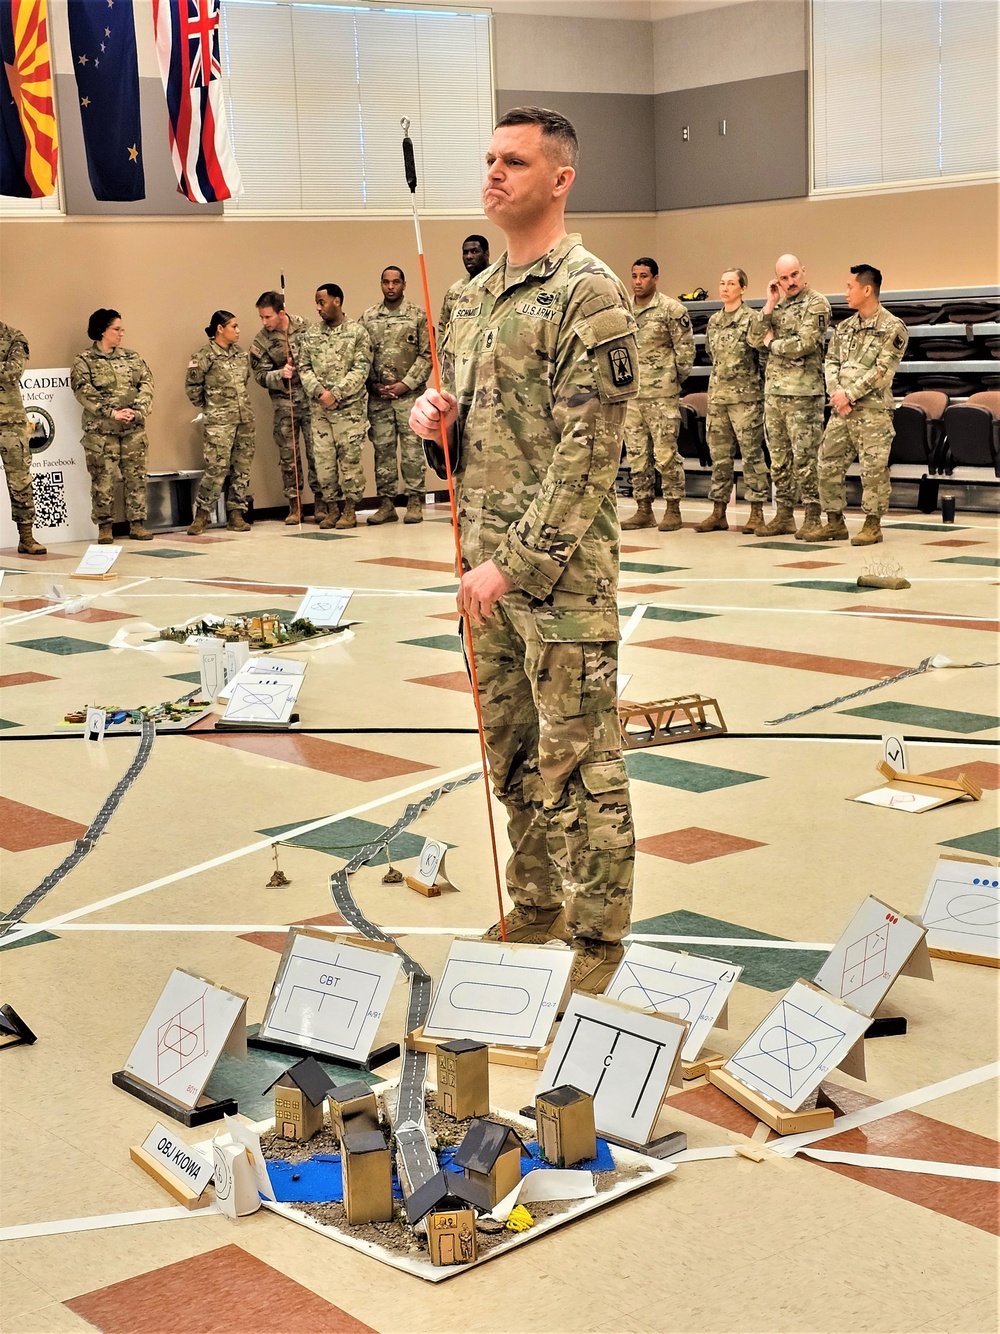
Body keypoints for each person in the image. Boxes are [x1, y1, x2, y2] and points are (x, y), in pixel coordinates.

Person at [409, 106, 639, 995]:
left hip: (558, 579)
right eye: (489, 158)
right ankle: (536, 903)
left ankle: (596, 948)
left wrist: (514, 563)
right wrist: (434, 420)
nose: (494, 173)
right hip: (486, 575)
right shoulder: (470, 299)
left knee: (580, 766)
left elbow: (589, 454)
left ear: (560, 178)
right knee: (510, 754)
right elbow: (465, 438)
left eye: (514, 160)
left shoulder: (590, 292)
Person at [807, 264, 908, 547]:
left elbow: (882, 370)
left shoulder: (893, 327)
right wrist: (837, 393)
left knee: (873, 470)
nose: (846, 292)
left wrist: (849, 394)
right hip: (842, 411)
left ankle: (872, 525)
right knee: (826, 462)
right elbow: (831, 362)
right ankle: (835, 522)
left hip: (873, 412)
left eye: (850, 286)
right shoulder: (844, 327)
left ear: (867, 289)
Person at [748, 254, 831, 539]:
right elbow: (753, 338)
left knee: (805, 459)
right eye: (783, 278)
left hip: (804, 394)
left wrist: (773, 344)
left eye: (794, 275)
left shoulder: (817, 303)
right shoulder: (778, 304)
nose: (790, 282)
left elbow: (805, 344)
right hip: (774, 393)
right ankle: (784, 514)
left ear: (804, 272)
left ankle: (812, 514)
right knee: (779, 459)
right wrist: (769, 304)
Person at [620, 257, 694, 532]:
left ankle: (673, 508)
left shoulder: (671, 310)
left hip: (661, 395)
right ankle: (643, 509)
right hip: (632, 395)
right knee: (637, 454)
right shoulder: (623, 309)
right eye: (635, 276)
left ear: (656, 278)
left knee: (665, 455)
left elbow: (685, 352)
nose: (638, 282)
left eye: (644, 276)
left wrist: (671, 381)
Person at [696, 268, 769, 535]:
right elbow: (710, 353)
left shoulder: (752, 319)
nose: (725, 288)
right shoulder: (714, 320)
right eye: (722, 283)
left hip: (746, 399)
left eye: (731, 283)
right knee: (719, 457)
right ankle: (718, 511)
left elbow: (762, 357)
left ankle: (757, 511)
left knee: (751, 455)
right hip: (718, 398)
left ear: (743, 288)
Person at [70, 310, 154, 544]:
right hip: (101, 432)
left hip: (132, 430)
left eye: (122, 329)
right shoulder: (84, 360)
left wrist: (136, 410)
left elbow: (146, 382)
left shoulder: (132, 357)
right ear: (102, 330)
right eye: (116, 329)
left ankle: (136, 524)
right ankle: (105, 526)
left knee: (136, 477)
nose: (121, 334)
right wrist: (112, 412)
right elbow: (83, 391)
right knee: (103, 479)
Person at [297, 283, 372, 531]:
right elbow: (303, 367)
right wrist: (320, 392)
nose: (318, 308)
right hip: (320, 412)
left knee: (350, 462)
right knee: (324, 463)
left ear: (337, 301)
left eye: (322, 302)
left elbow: (361, 369)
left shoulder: (357, 333)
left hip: (349, 411)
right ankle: (332, 508)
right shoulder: (311, 335)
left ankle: (350, 510)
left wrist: (336, 393)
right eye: (316, 303)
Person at [361, 267, 431, 525]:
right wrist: (374, 385)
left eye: (396, 282)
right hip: (379, 397)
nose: (391, 287)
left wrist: (406, 384)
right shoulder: (368, 317)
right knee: (383, 450)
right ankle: (386, 503)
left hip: (409, 396)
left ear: (404, 284)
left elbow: (427, 355)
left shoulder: (418, 315)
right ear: (381, 284)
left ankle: (414, 501)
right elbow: (361, 357)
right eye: (386, 282)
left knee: (413, 450)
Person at [249, 290, 322, 526]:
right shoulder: (261, 341)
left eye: (268, 317)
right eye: (261, 317)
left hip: (311, 401)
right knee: (289, 457)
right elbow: (259, 376)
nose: (264, 322)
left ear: (281, 312)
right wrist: (280, 374)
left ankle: (321, 503)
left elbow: (320, 357)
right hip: (285, 403)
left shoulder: (306, 327)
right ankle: (295, 505)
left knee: (317, 453)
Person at [185, 311, 255, 535]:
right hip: (219, 422)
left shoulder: (241, 354)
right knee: (216, 468)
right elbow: (193, 389)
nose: (238, 330)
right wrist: (212, 408)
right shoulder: (204, 355)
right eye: (233, 326)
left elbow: (244, 381)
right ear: (220, 328)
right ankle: (202, 515)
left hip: (244, 419)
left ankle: (236, 514)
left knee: (242, 469)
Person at [0, 320, 45, 554]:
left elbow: (13, 371)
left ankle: (26, 537)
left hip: (10, 420)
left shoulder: (13, 336)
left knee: (20, 481)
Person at [437, 235, 491, 347]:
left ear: (486, 254)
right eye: (465, 252)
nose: (469, 256)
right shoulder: (454, 292)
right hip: (460, 360)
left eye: (474, 251)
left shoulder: (500, 284)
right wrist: (445, 358)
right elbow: (443, 328)